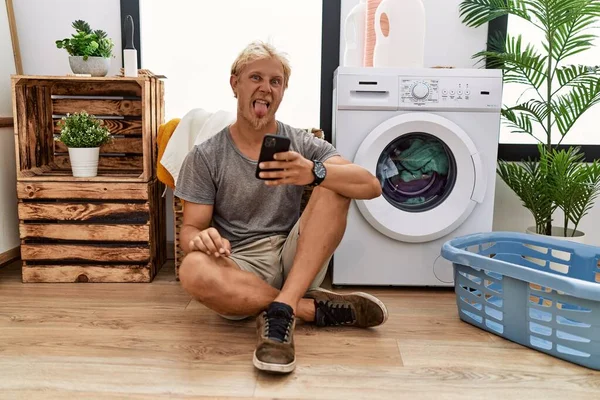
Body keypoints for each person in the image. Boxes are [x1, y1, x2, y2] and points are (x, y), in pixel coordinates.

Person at [175, 41, 388, 374]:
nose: (265, 88)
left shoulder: (301, 143)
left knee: (334, 184)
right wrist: (200, 240)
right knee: (191, 269)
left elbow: (370, 186)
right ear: (235, 84)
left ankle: (282, 308)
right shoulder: (206, 156)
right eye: (255, 77)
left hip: (297, 257)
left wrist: (314, 171)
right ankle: (302, 308)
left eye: (275, 81)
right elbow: (190, 230)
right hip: (240, 266)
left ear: (283, 91)